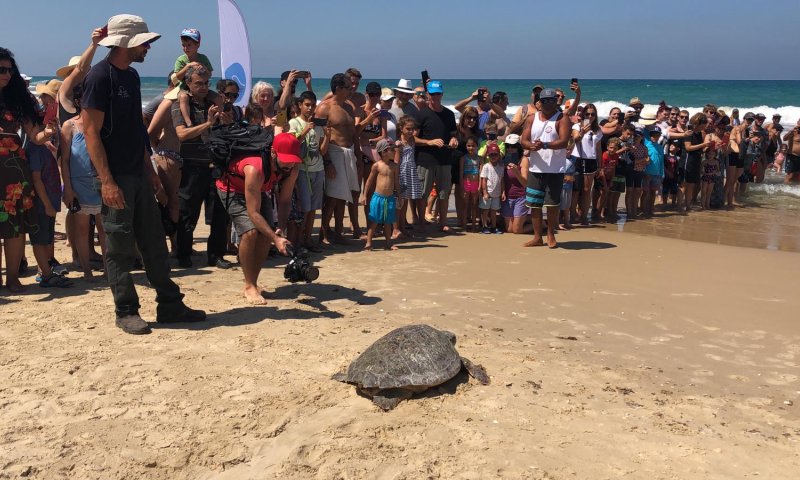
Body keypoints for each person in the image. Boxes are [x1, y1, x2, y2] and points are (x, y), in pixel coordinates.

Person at [81, 14, 205, 334]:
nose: (148, 47)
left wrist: (149, 169)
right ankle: (125, 310)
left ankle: (170, 305)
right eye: (144, 42)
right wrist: (107, 181)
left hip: (137, 172)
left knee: (153, 241)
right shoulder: (99, 77)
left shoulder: (131, 77)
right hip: (115, 176)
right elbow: (91, 132)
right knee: (120, 246)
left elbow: (137, 129)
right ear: (126, 43)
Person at [216, 133, 292, 304]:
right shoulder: (254, 168)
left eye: (293, 159)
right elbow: (253, 213)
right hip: (233, 189)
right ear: (273, 152)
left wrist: (280, 227)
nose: (290, 163)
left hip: (260, 188)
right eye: (286, 159)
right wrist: (276, 239)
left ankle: (254, 283)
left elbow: (285, 200)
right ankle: (249, 286)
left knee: (266, 235)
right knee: (250, 233)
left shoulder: (292, 167)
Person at [172, 65, 232, 269]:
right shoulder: (180, 104)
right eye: (199, 83)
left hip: (214, 165)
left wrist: (224, 122)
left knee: (219, 213)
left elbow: (222, 130)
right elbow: (181, 134)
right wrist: (207, 123)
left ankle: (216, 255)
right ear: (188, 84)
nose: (204, 87)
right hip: (192, 166)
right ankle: (183, 255)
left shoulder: (212, 103)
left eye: (206, 83)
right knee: (187, 212)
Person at [59, 85, 106, 281]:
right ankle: (86, 270)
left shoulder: (102, 122)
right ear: (78, 102)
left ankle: (108, 268)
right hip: (79, 183)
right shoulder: (69, 125)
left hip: (101, 182)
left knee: (105, 229)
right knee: (82, 229)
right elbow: (65, 159)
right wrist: (68, 188)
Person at [521, 88, 571, 248]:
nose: (549, 103)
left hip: (555, 169)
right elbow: (524, 140)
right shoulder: (531, 118)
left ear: (556, 101)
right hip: (536, 169)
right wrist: (531, 146)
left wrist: (545, 145)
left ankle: (550, 234)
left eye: (552, 100)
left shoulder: (562, 118)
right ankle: (537, 237)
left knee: (552, 204)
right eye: (545, 100)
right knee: (534, 205)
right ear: (539, 102)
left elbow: (564, 141)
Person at [316, 73, 361, 244]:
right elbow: (319, 136)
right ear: (338, 88)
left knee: (344, 195)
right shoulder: (324, 108)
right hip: (333, 153)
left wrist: (357, 155)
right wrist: (327, 162)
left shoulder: (349, 107)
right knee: (332, 196)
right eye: (349, 87)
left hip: (348, 153)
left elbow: (353, 133)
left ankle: (338, 231)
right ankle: (323, 233)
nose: (352, 90)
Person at [413, 80, 458, 233]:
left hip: (445, 159)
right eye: (432, 94)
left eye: (438, 93)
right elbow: (413, 139)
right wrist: (429, 142)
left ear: (442, 94)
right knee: (423, 193)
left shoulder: (449, 114)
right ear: (427, 95)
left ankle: (443, 223)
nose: (435, 97)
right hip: (425, 159)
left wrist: (453, 140)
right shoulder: (421, 114)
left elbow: (453, 134)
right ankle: (421, 222)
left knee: (444, 193)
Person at [288, 90, 328, 252]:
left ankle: (308, 239)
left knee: (313, 208)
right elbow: (290, 145)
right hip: (302, 170)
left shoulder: (317, 126)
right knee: (303, 207)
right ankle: (298, 240)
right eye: (307, 105)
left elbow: (322, 151)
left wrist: (328, 136)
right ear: (300, 105)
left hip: (318, 168)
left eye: (313, 105)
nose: (310, 108)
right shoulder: (294, 123)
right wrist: (305, 131)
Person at [360, 139, 399, 251]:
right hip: (378, 197)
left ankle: (388, 243)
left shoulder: (394, 166)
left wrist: (399, 197)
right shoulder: (377, 166)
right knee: (374, 221)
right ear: (384, 152)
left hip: (390, 198)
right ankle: (368, 243)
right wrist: (365, 195)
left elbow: (396, 183)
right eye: (392, 150)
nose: (394, 152)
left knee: (388, 222)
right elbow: (369, 181)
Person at [569, 103, 602, 224]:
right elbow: (575, 139)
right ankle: (572, 216)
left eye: (593, 114)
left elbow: (598, 148)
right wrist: (582, 132)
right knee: (576, 190)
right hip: (577, 158)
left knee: (587, 189)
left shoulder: (597, 130)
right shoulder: (577, 126)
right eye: (587, 114)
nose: (590, 116)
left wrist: (600, 166)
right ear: (583, 114)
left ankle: (583, 217)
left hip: (591, 160)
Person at [395, 115, 422, 231]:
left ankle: (402, 227)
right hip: (402, 173)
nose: (411, 131)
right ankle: (398, 229)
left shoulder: (411, 140)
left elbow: (422, 141)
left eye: (412, 129)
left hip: (411, 171)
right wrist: (396, 178)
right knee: (400, 203)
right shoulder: (399, 143)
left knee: (405, 202)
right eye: (408, 129)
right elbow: (396, 162)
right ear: (401, 128)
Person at [682, 113, 711, 213]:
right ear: (697, 123)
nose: (703, 128)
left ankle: (688, 205)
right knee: (684, 184)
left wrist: (707, 146)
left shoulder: (699, 133)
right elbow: (688, 147)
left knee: (691, 185)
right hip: (687, 160)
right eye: (702, 126)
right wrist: (703, 144)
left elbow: (699, 149)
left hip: (696, 160)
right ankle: (679, 205)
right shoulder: (689, 132)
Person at [502, 136, 531, 234]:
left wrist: (516, 171)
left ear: (518, 147)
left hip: (521, 196)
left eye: (513, 146)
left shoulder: (524, 160)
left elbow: (525, 183)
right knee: (509, 230)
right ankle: (529, 218)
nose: (510, 149)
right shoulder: (504, 158)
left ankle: (540, 225)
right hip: (508, 197)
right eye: (508, 146)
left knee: (516, 230)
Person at [479, 143, 505, 234]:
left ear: (499, 155)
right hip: (488, 193)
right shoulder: (486, 166)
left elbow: (502, 181)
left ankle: (494, 227)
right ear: (488, 155)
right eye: (491, 154)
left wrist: (503, 192)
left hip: (497, 193)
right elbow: (484, 180)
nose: (493, 156)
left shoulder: (501, 167)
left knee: (494, 211)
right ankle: (484, 226)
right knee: (485, 210)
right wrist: (485, 192)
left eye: (495, 154)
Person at [459, 136, 481, 231]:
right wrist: (461, 186)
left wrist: (480, 186)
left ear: (477, 146)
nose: (471, 148)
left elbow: (481, 173)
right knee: (465, 205)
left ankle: (473, 226)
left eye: (473, 146)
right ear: (466, 146)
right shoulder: (463, 158)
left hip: (475, 183)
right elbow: (461, 173)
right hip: (466, 183)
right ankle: (464, 225)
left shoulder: (479, 159)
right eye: (468, 146)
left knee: (474, 205)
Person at [783, 119, 800, 184]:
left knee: (797, 175)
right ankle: (785, 189)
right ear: (798, 122)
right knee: (790, 175)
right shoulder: (793, 132)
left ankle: (793, 191)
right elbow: (784, 138)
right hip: (792, 156)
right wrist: (792, 130)